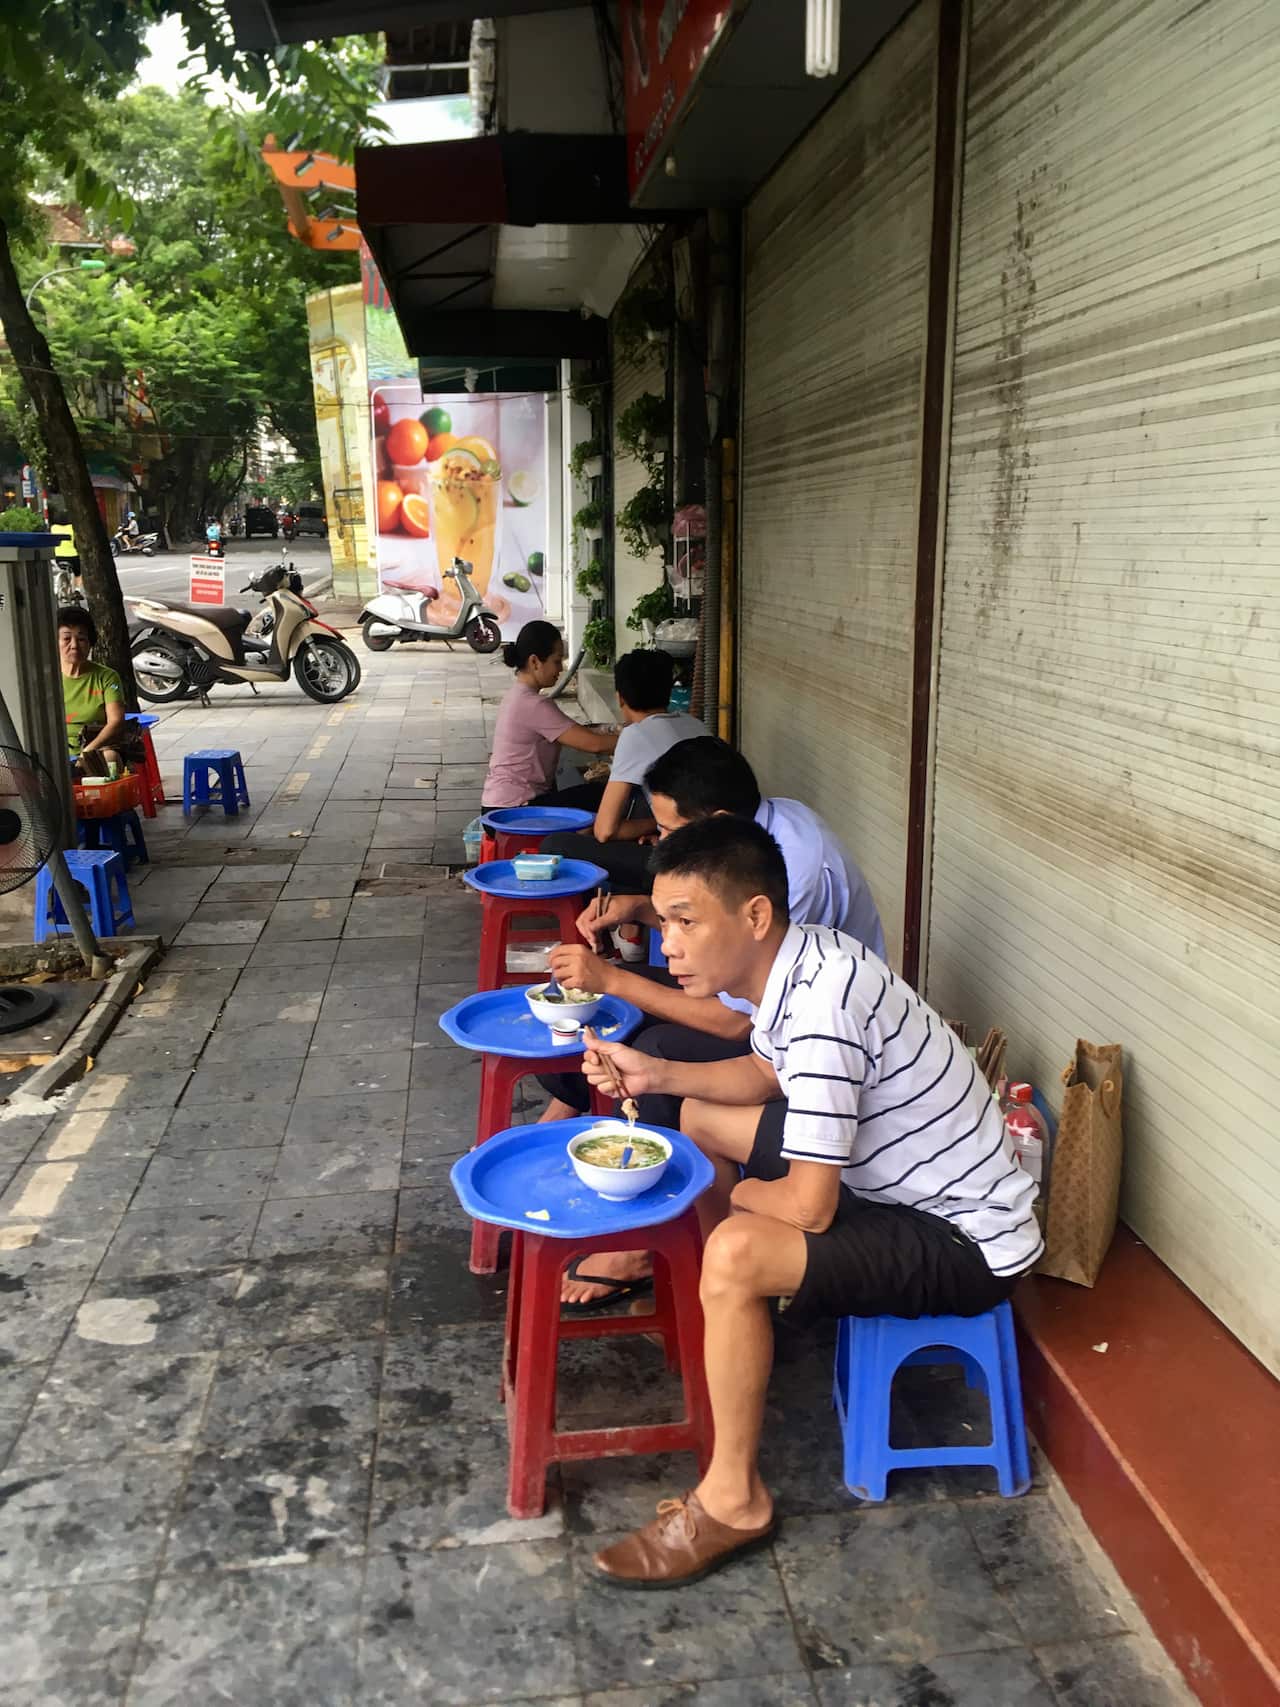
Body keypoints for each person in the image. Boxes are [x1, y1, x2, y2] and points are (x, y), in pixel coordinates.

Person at [579, 817, 1042, 1588]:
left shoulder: (826, 999)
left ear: (755, 916)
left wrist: (747, 1208)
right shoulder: (803, 963)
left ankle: (734, 1498)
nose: (669, 947)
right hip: (889, 1181)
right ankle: (739, 1322)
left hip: (962, 1236)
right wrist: (650, 1075)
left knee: (734, 1248)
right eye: (665, 923)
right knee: (696, 1118)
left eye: (687, 922)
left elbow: (811, 1205)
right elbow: (762, 1078)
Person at [541, 738, 886, 1306]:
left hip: (806, 1068)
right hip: (778, 1046)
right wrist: (635, 909)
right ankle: (674, 1223)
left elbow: (736, 1029)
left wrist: (616, 981)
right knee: (644, 1040)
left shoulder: (802, 915)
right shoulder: (763, 833)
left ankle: (658, 1244)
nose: (657, 842)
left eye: (671, 831)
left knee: (645, 1026)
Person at [539, 649, 704, 889]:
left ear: (620, 698)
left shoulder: (635, 734)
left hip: (682, 864)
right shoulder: (695, 725)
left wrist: (655, 824)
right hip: (712, 844)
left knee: (555, 845)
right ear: (668, 693)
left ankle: (601, 919)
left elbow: (605, 831)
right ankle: (628, 921)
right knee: (631, 814)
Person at [482, 620, 617, 811]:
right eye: (556, 661)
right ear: (535, 661)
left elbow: (574, 731)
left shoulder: (517, 696)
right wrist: (638, 739)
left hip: (498, 803)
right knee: (601, 794)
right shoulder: (534, 704)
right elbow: (594, 744)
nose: (561, 669)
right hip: (514, 808)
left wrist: (614, 729)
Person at [58, 605, 136, 777]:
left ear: (90, 642)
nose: (74, 645)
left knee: (110, 758)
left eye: (81, 639)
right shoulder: (48, 678)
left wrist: (86, 753)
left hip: (96, 747)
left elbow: (116, 722)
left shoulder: (107, 677)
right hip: (56, 751)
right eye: (66, 639)